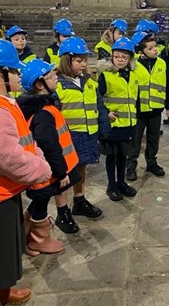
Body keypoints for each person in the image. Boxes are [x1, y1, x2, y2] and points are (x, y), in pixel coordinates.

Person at [0, 40, 52, 306]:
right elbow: (7, 156)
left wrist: (37, 157)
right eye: (14, 71)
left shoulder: (6, 103)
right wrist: (40, 169)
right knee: (2, 250)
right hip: (1, 194)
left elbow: (24, 140)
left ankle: (4, 291)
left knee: (9, 248)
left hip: (9, 189)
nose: (20, 75)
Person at [18, 59, 80, 256]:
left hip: (48, 169)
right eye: (52, 76)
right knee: (42, 203)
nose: (56, 79)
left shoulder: (41, 107)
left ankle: (25, 232)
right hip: (49, 171)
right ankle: (39, 240)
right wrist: (61, 171)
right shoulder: (43, 113)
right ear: (39, 84)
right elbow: (49, 145)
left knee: (39, 201)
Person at [54, 37, 111, 234]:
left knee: (80, 169)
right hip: (66, 138)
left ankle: (79, 200)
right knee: (61, 176)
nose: (84, 64)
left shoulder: (89, 82)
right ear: (66, 61)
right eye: (79, 60)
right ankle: (62, 212)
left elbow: (99, 107)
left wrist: (104, 130)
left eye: (85, 60)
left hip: (87, 135)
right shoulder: (58, 85)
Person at [126, 32, 169, 182]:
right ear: (141, 52)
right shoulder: (133, 66)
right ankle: (131, 165)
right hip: (138, 110)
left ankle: (152, 162)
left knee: (153, 138)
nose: (155, 50)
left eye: (155, 47)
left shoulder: (162, 63)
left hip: (155, 109)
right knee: (135, 139)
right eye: (150, 48)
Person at [98, 37, 139, 201]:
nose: (120, 60)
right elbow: (97, 99)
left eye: (124, 57)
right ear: (112, 56)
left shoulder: (133, 75)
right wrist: (106, 113)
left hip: (129, 124)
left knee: (123, 155)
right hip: (113, 124)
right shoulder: (106, 76)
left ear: (130, 59)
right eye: (117, 56)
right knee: (112, 156)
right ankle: (111, 185)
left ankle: (121, 182)